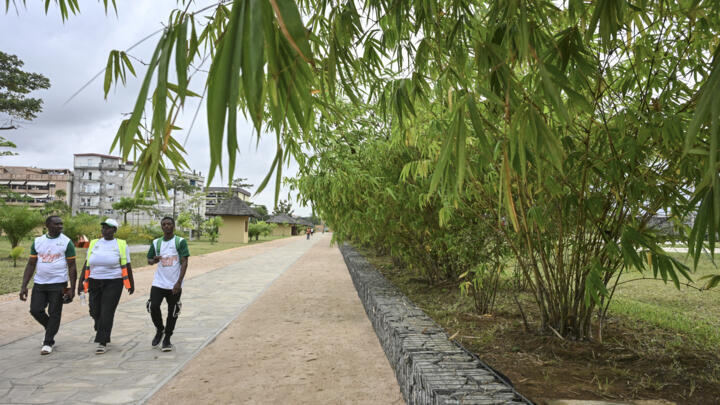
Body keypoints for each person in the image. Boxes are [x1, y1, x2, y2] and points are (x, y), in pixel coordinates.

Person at [19, 216, 77, 355]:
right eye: (56, 224)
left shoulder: (66, 242)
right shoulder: (38, 241)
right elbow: (31, 264)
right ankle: (50, 328)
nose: (60, 226)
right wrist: (24, 285)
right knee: (35, 310)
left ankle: (48, 342)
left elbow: (72, 266)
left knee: (54, 313)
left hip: (59, 283)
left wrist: (72, 289)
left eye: (61, 224)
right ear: (47, 225)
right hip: (40, 283)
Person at [77, 218, 134, 354]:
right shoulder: (94, 243)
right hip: (94, 280)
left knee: (107, 311)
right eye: (103, 227)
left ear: (114, 230)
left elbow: (127, 265)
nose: (105, 230)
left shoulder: (121, 244)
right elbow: (87, 263)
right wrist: (81, 282)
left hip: (114, 282)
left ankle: (102, 341)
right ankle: (100, 327)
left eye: (108, 228)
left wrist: (131, 283)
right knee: (94, 310)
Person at [146, 216, 189, 352]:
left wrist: (178, 282)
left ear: (173, 226)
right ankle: (160, 330)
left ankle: (167, 339)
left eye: (169, 224)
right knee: (153, 306)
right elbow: (149, 260)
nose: (166, 226)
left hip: (174, 284)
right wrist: (154, 260)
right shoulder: (156, 242)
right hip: (159, 282)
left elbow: (184, 262)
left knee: (173, 311)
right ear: (161, 227)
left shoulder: (180, 241)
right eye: (164, 224)